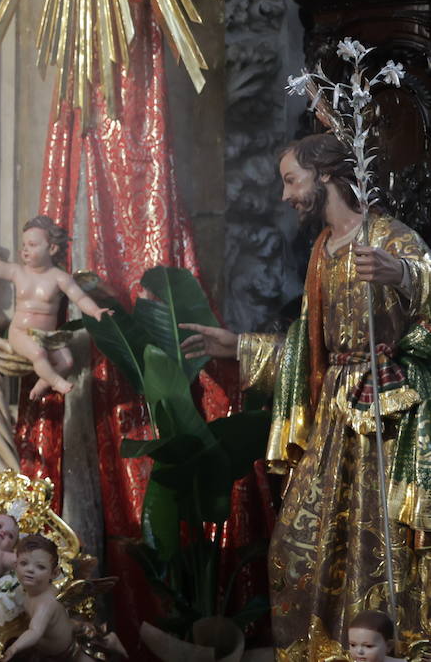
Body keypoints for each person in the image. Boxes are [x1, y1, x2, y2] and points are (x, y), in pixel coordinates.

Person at [181, 134, 431, 653]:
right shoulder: (321, 249)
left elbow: (426, 292)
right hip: (334, 416)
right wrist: (240, 347)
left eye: (291, 180)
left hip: (387, 419)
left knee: (379, 543)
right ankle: (324, 648)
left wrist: (401, 274)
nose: (285, 195)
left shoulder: (390, 236)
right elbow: (309, 347)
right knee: (297, 546)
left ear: (326, 176)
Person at [0, 215, 109, 397]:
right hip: (20, 332)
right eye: (24, 246)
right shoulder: (18, 272)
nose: (25, 250)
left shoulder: (59, 278)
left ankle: (42, 384)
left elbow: (79, 298)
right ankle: (55, 382)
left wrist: (95, 311)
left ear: (52, 248)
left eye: (32, 245)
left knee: (67, 362)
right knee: (39, 354)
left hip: (47, 336)